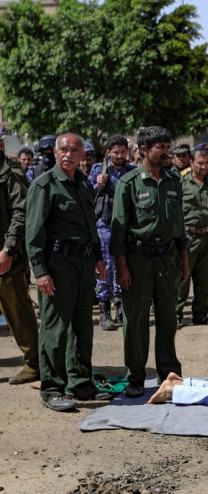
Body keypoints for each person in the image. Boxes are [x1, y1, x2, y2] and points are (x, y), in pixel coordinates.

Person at [26, 133, 110, 411]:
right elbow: (34, 233)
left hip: (84, 264)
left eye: (75, 150)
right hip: (57, 265)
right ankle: (52, 388)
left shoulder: (84, 183)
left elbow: (90, 226)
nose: (69, 154)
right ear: (54, 151)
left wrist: (98, 258)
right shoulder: (44, 185)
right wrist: (40, 271)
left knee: (82, 327)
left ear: (83, 155)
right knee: (55, 329)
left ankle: (81, 383)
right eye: (64, 149)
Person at [110, 126, 189, 398]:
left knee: (168, 317)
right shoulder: (128, 183)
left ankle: (169, 373)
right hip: (137, 260)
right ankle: (135, 377)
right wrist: (122, 267)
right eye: (161, 148)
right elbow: (118, 232)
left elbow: (179, 225)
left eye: (168, 147)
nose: (167, 152)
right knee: (136, 321)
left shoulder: (173, 180)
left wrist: (184, 260)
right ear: (144, 150)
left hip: (168, 259)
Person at [0, 141, 40, 385]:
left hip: (5, 257)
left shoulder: (10, 173)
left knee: (17, 311)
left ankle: (34, 363)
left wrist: (8, 249)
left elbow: (21, 212)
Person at [88, 135, 135, 330]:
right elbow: (86, 194)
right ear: (109, 153)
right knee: (106, 268)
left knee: (123, 266)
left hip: (126, 227)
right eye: (115, 152)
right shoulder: (98, 170)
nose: (119, 156)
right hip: (104, 226)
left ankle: (121, 307)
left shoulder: (132, 172)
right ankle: (104, 311)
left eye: (122, 152)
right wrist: (96, 184)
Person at [176, 147, 208, 327]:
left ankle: (201, 315)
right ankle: (177, 315)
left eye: (207, 163)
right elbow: (174, 213)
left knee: (204, 280)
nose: (204, 167)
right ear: (191, 162)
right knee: (183, 278)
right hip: (187, 237)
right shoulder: (181, 183)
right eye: (200, 163)